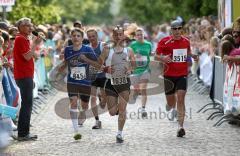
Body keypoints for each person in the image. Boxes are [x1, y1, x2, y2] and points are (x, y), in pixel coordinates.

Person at [155, 20, 198, 137]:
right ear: (171, 30)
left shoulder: (186, 41)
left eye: (179, 28)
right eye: (175, 29)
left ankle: (180, 127)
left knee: (181, 98)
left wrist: (192, 56)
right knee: (171, 101)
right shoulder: (165, 42)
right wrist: (162, 58)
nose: (178, 31)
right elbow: (155, 55)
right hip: (168, 75)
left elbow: (187, 53)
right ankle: (170, 105)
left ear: (182, 29)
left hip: (182, 74)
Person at [60, 28, 101, 140]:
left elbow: (97, 64)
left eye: (78, 36)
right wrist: (60, 70)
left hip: (85, 82)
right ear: (71, 37)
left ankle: (82, 112)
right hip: (72, 81)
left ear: (82, 38)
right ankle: (75, 130)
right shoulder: (67, 49)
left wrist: (86, 60)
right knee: (73, 102)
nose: (76, 38)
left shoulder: (87, 49)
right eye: (74, 36)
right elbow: (67, 63)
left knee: (84, 105)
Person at [98, 25, 135, 143]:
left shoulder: (128, 50)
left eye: (120, 34)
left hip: (124, 82)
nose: (118, 37)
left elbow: (134, 64)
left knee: (123, 109)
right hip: (110, 82)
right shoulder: (107, 49)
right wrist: (105, 69)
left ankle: (119, 134)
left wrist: (130, 70)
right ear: (112, 36)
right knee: (112, 112)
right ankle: (111, 103)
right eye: (116, 34)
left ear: (123, 35)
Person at [13, 17, 42, 141]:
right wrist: (35, 44)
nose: (31, 28)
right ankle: (23, 133)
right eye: (27, 25)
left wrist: (34, 46)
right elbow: (26, 57)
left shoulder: (24, 39)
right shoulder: (20, 39)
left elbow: (33, 55)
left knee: (27, 104)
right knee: (27, 104)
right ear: (20, 27)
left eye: (31, 25)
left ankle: (24, 132)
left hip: (26, 74)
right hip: (23, 75)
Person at [86, 28, 107, 129]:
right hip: (92, 76)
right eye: (89, 37)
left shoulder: (102, 45)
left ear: (97, 36)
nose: (91, 38)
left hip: (103, 75)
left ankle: (102, 98)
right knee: (92, 98)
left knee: (103, 103)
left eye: (93, 36)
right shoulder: (86, 47)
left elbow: (105, 59)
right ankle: (97, 121)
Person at [129, 27, 152, 117]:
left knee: (143, 90)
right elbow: (129, 57)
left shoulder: (148, 44)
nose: (139, 36)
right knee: (137, 89)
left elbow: (149, 55)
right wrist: (134, 56)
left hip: (145, 70)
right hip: (135, 70)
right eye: (138, 35)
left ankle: (143, 109)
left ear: (144, 35)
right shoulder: (132, 45)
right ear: (135, 36)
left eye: (141, 34)